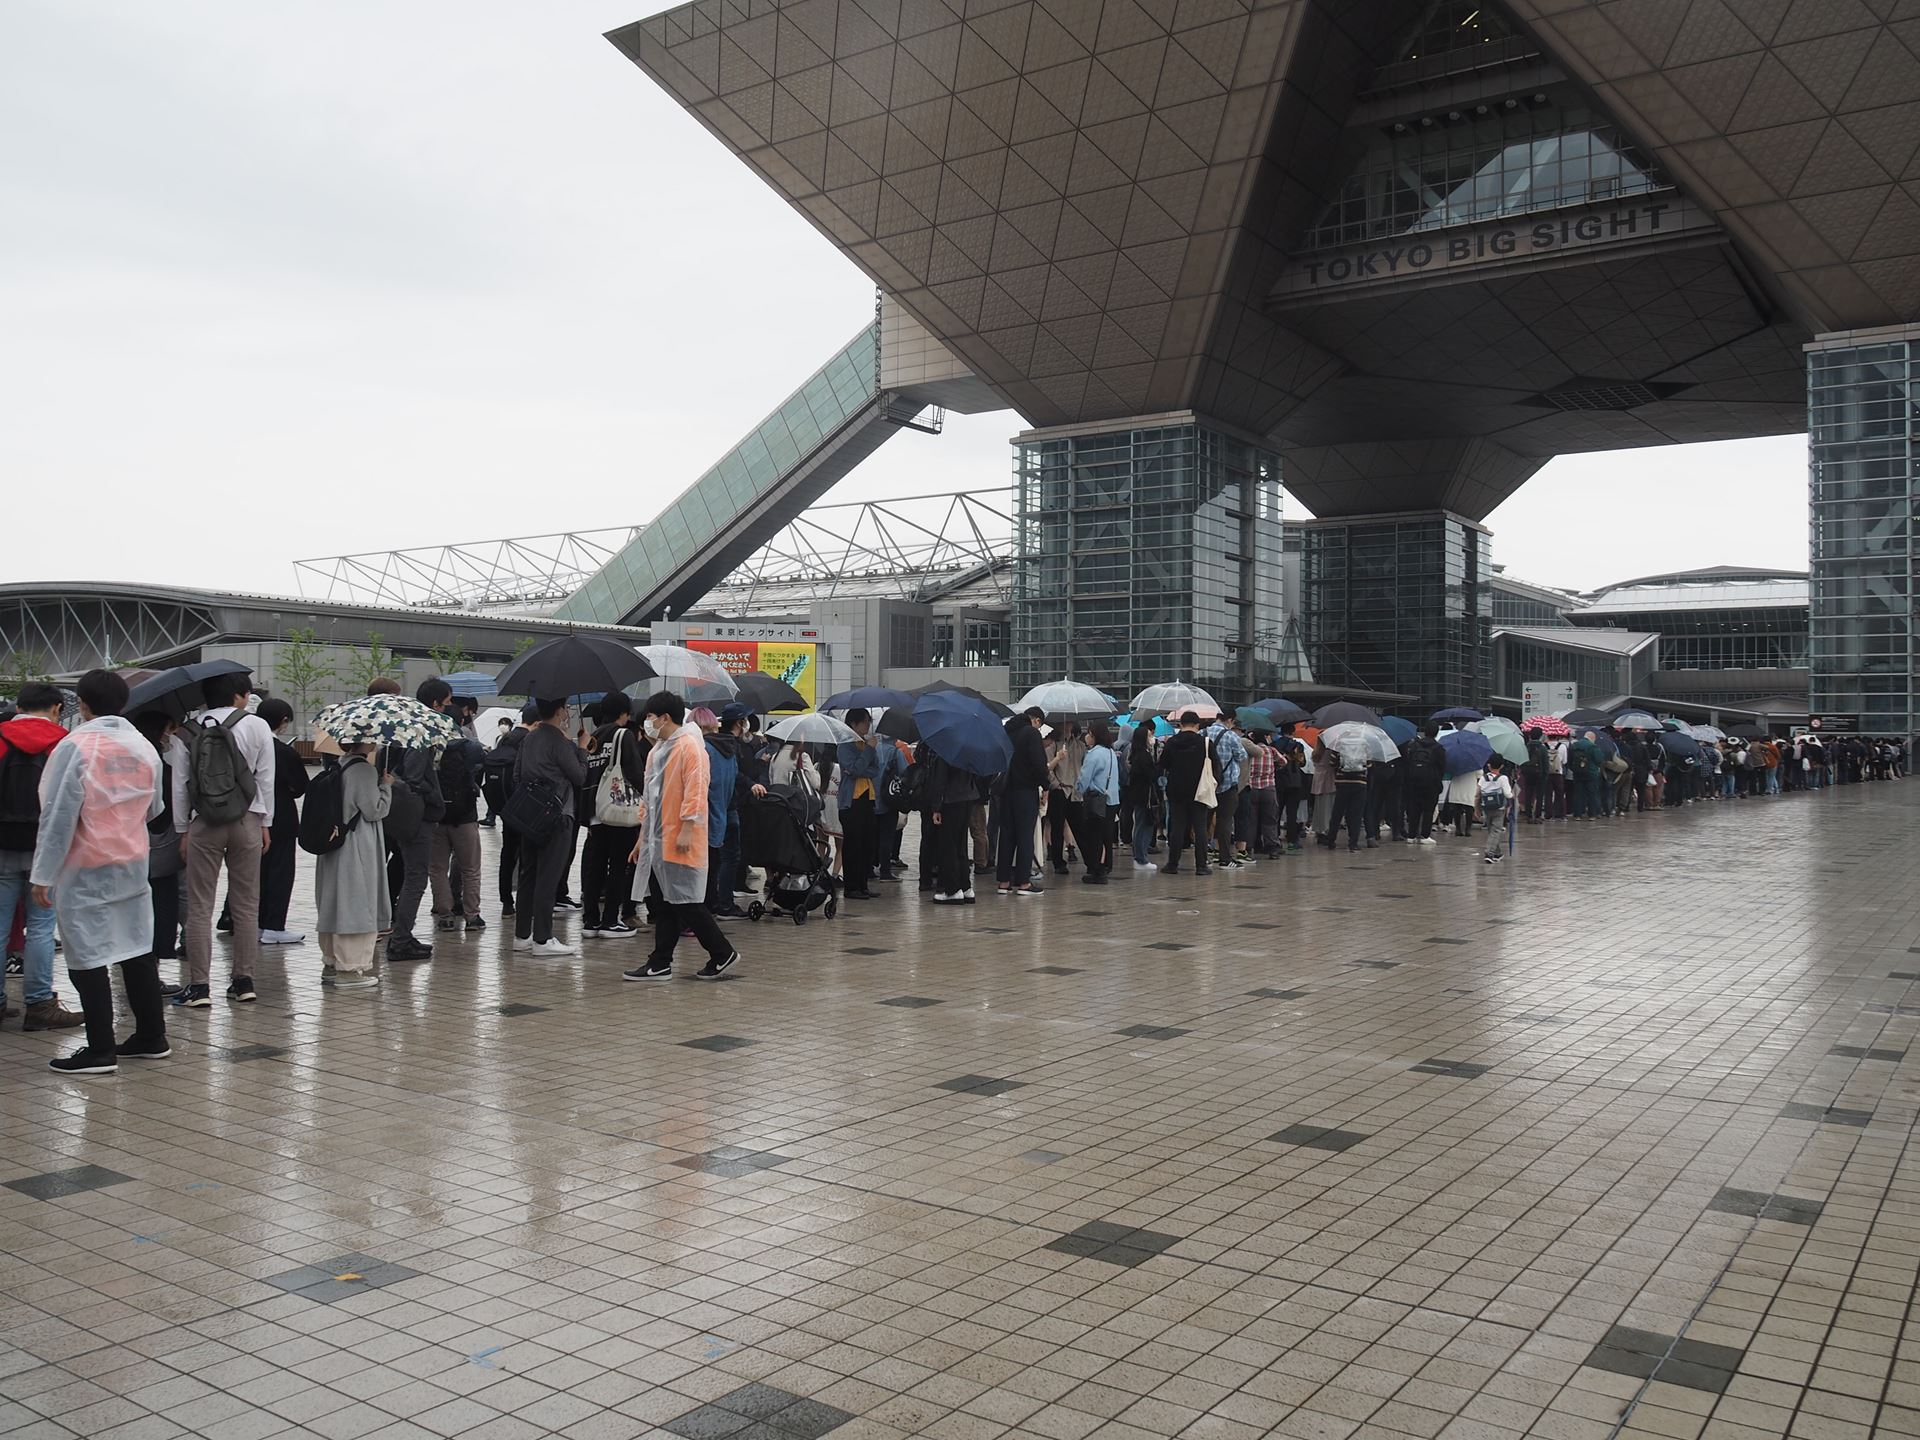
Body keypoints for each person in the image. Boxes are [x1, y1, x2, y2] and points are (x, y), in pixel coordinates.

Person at [31, 670, 169, 1073]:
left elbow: (57, 814)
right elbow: (155, 807)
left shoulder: (76, 745)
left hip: (85, 863)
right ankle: (151, 1035)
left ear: (83, 703)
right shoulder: (143, 746)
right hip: (131, 860)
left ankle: (100, 1049)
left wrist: (43, 873)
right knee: (136, 946)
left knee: (86, 953)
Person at [177, 671, 275, 1007]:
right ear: (239, 695)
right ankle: (243, 981)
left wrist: (183, 829)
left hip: (204, 821)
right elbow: (265, 778)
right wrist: (266, 822)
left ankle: (200, 987)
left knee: (200, 905)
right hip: (247, 819)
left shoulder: (188, 730)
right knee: (247, 904)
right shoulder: (257, 726)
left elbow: (181, 786)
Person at [624, 691, 738, 980]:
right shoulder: (659, 749)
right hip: (659, 839)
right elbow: (649, 798)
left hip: (680, 838)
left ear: (664, 718)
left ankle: (721, 952)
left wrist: (687, 828)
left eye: (650, 717)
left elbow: (697, 789)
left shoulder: (689, 746)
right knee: (665, 902)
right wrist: (643, 837)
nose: (647, 723)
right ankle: (661, 960)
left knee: (685, 902)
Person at [0, 682, 84, 1031]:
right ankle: (39, 1005)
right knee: (40, 928)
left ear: (19, 706)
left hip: (2, 846)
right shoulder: (63, 743)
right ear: (54, 708)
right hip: (46, 849)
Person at [314, 739, 394, 990]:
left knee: (335, 902)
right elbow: (374, 810)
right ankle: (349, 970)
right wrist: (386, 787)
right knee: (357, 903)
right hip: (358, 845)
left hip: (335, 844)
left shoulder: (339, 764)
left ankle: (331, 963)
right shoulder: (363, 770)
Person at [511, 697, 587, 956]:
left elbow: (517, 776)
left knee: (529, 874)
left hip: (530, 816)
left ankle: (522, 935)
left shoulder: (528, 738)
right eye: (566, 708)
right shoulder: (559, 740)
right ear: (559, 711)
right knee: (548, 877)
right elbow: (579, 776)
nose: (567, 712)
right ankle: (543, 939)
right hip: (558, 814)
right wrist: (583, 749)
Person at [384, 678, 451, 965]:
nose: (450, 709)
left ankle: (403, 935)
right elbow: (412, 777)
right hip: (418, 815)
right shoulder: (420, 733)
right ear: (435, 704)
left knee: (414, 875)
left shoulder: (406, 726)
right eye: (447, 703)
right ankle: (401, 939)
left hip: (411, 813)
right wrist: (433, 794)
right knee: (415, 878)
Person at [580, 695, 645, 939]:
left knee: (595, 866)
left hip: (596, 812)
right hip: (618, 810)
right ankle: (610, 921)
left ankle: (590, 921)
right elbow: (634, 772)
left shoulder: (593, 737)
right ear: (624, 713)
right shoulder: (623, 735)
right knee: (618, 865)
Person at [132, 710, 186, 990]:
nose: (171, 735)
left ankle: (139, 972)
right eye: (168, 729)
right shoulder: (152, 759)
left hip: (125, 848)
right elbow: (159, 809)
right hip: (155, 848)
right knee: (161, 906)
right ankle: (149, 975)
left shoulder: (128, 754)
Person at [254, 699, 309, 947]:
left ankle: (254, 923)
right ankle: (274, 926)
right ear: (283, 721)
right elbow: (301, 786)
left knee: (256, 873)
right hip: (281, 818)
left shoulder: (248, 744)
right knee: (280, 872)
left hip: (251, 816)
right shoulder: (283, 751)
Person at [429, 708, 487, 936]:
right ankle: (472, 916)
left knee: (437, 869)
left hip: (437, 816)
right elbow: (479, 773)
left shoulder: (431, 746)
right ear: (458, 722)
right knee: (470, 869)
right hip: (465, 817)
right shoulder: (470, 747)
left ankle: (445, 916)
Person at [836, 709, 899, 900]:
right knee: (853, 845)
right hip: (851, 802)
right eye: (865, 722)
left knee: (867, 844)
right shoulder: (846, 745)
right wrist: (868, 752)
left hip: (868, 799)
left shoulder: (865, 743)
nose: (868, 726)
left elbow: (875, 769)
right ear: (854, 724)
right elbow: (855, 769)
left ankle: (863, 885)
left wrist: (865, 759)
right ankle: (851, 886)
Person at [996, 707, 1048, 894]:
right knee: (1025, 836)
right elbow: (1039, 764)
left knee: (1007, 835)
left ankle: (1003, 882)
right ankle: (1024, 883)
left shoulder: (1006, 732)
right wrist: (1046, 786)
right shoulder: (1031, 734)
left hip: (1005, 791)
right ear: (1035, 720)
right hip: (1026, 791)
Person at [923, 743, 983, 904]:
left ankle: (952, 890)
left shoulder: (946, 752)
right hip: (967, 799)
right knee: (961, 846)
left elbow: (940, 780)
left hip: (950, 801)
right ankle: (965, 887)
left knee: (948, 846)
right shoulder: (968, 751)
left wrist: (936, 808)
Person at [489, 703, 535, 912]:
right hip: (524, 807)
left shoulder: (505, 739)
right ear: (537, 723)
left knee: (508, 852)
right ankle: (526, 899)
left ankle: (506, 899)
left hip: (504, 806)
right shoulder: (530, 740)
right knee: (527, 854)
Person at [1158, 711, 1212, 876]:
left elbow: (1162, 765)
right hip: (1199, 791)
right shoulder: (1205, 743)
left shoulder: (1172, 742)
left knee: (1177, 828)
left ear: (1180, 725)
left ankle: (1172, 864)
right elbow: (1216, 767)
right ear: (1197, 725)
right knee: (1200, 828)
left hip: (1176, 791)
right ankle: (1201, 866)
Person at [1072, 723, 1119, 884]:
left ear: (1093, 735)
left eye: (1088, 734)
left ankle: (1097, 869)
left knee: (1094, 836)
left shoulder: (1093, 754)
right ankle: (1106, 865)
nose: (1086, 737)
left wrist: (1077, 788)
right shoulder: (1111, 753)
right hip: (1112, 799)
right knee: (1106, 834)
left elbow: (1084, 780)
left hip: (1096, 799)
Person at [1044, 723, 1086, 875]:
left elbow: (1084, 766)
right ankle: (1058, 862)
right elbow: (1047, 768)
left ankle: (1089, 859)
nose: (1067, 727)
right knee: (1057, 828)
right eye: (1065, 724)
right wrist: (1056, 784)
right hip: (1059, 791)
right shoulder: (1053, 746)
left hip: (1075, 792)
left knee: (1080, 827)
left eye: (1070, 724)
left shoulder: (1080, 746)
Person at [1206, 717, 1247, 869]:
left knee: (1204, 821)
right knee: (1225, 821)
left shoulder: (1203, 733)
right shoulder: (1231, 736)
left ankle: (1203, 857)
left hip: (1207, 785)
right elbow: (1242, 756)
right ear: (1230, 720)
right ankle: (1224, 858)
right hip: (1227, 784)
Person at [1329, 727, 1371, 852]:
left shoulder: (1339, 743)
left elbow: (1332, 762)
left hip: (1342, 783)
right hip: (1360, 783)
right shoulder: (1365, 743)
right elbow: (1369, 764)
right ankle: (1353, 843)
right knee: (1356, 815)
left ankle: (1331, 841)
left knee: (1337, 812)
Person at [1123, 723, 1158, 871]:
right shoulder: (1143, 756)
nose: (1151, 738)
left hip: (1139, 794)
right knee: (1142, 825)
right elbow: (1151, 774)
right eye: (1149, 735)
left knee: (1141, 823)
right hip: (1144, 795)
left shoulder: (1137, 754)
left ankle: (1141, 857)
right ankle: (1140, 858)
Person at [1401, 726, 1443, 843]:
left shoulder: (1414, 746)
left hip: (1414, 782)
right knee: (1428, 810)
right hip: (1431, 784)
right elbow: (1442, 767)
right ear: (1436, 733)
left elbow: (1408, 762)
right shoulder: (1438, 748)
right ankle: (1425, 836)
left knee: (1414, 809)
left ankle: (1411, 835)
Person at [1478, 759, 1513, 863]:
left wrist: (1477, 809)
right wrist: (1513, 796)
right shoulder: (1503, 778)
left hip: (1486, 807)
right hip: (1499, 808)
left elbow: (1477, 794)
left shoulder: (1483, 778)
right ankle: (1489, 853)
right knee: (1496, 831)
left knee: (1491, 830)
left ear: (1488, 765)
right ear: (1501, 766)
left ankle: (1497, 853)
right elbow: (1507, 794)